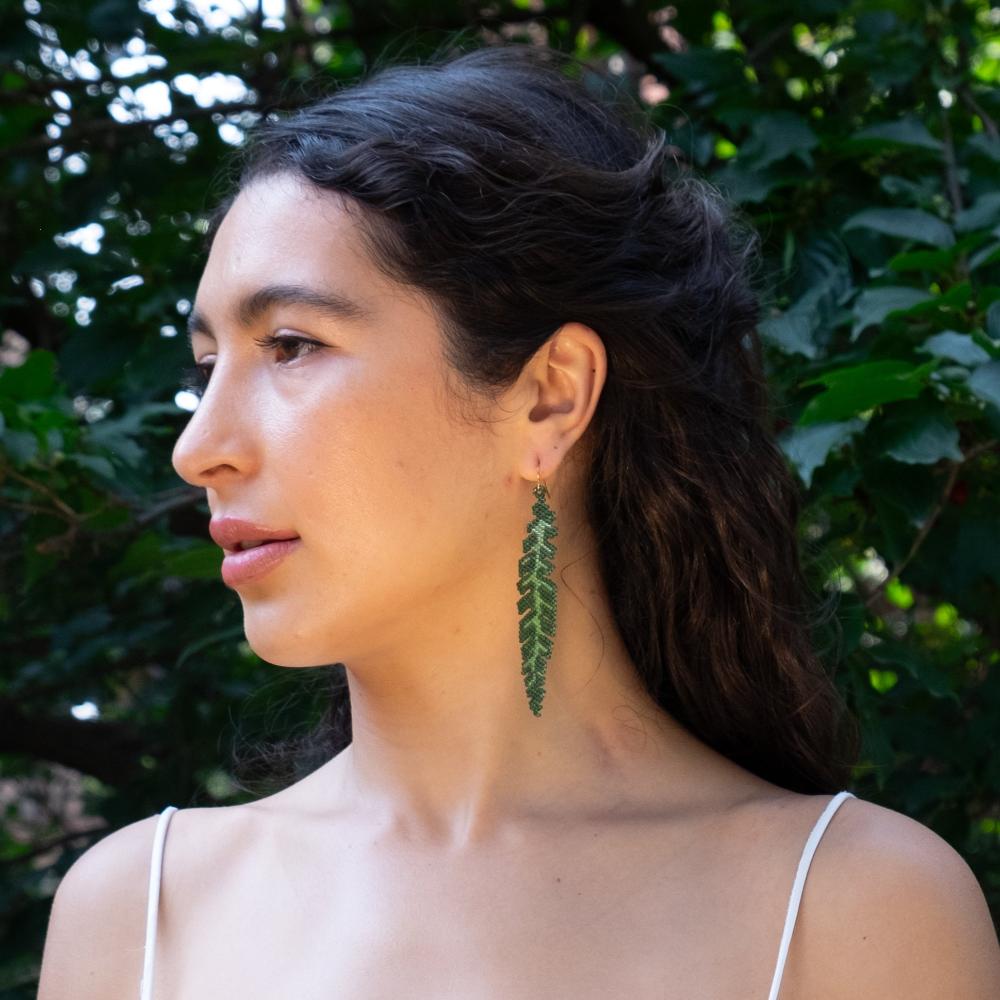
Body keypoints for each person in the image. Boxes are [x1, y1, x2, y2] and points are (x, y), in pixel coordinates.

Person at [38, 42, 1000, 1000]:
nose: (198, 448)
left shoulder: (853, 910)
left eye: (291, 346)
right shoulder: (140, 914)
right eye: (208, 369)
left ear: (550, 395)